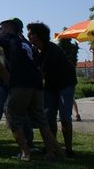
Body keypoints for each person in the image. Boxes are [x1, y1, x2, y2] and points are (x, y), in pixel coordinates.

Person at [0, 19, 62, 161]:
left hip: (21, 84)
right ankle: (50, 153)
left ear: (10, 29)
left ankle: (25, 153)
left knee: (13, 118)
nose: (0, 31)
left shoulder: (9, 37)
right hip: (36, 84)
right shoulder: (26, 43)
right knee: (41, 120)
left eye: (1, 28)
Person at [27, 22, 77, 158]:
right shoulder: (35, 50)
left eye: (31, 33)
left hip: (65, 83)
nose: (28, 36)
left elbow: (40, 74)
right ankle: (51, 146)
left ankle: (68, 149)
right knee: (49, 117)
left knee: (65, 117)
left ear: (38, 36)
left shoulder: (51, 50)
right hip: (51, 85)